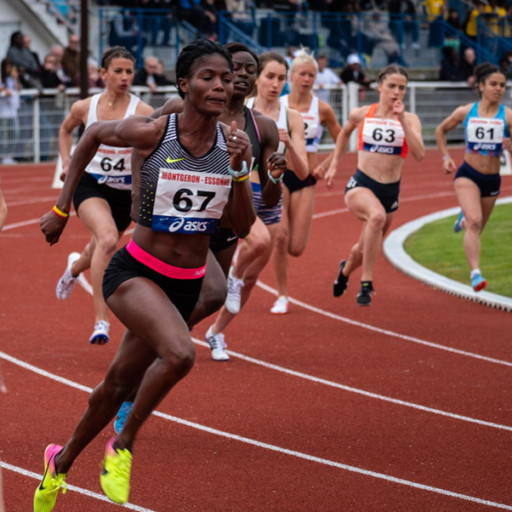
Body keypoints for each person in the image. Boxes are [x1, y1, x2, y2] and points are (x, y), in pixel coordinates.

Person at [35, 39, 255, 511]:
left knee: (114, 386)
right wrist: (60, 207)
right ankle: (124, 445)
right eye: (207, 77)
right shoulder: (156, 132)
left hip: (186, 280)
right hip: (135, 271)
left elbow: (242, 225)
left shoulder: (233, 145)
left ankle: (60, 462)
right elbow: (91, 136)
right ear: (184, 84)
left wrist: (240, 173)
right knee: (179, 354)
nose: (220, 85)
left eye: (225, 78)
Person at [204, 51, 308, 346]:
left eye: (281, 78)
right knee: (254, 246)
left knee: (251, 279)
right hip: (242, 192)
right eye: (269, 77)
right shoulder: (241, 109)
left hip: (273, 195)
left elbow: (302, 171)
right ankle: (231, 276)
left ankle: (216, 332)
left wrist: (288, 145)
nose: (275, 84)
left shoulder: (292, 118)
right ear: (257, 78)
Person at [54, 46, 153, 345]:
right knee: (108, 239)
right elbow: (65, 130)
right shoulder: (86, 106)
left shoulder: (143, 112)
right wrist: (68, 162)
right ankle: (101, 320)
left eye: (129, 72)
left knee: (97, 247)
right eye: (118, 71)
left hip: (125, 194)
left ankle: (73, 268)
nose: (125, 77)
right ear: (103, 74)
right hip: (91, 185)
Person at [325, 64, 425, 306]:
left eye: (402, 88)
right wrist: (333, 164)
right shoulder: (362, 113)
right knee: (376, 217)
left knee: (362, 249)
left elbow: (420, 154)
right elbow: (344, 133)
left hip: (390, 191)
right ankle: (366, 284)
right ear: (379, 86)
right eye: (391, 86)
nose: (396, 92)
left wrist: (401, 121)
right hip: (361, 184)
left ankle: (345, 271)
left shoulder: (410, 119)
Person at [270, 48, 341, 314]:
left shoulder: (321, 108)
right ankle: (281, 294)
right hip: (279, 174)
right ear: (291, 76)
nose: (307, 79)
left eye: (312, 74)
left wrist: (328, 164)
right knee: (280, 238)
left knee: (296, 247)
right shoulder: (280, 104)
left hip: (307, 176)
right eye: (302, 74)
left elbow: (343, 139)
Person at [435, 62, 512, 291]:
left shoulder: (508, 116)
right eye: (493, 84)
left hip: (492, 179)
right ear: (481, 86)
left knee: (476, 227)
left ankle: (463, 220)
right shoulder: (466, 111)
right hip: (467, 174)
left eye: (502, 85)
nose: (498, 89)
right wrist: (445, 157)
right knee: (476, 222)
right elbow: (440, 130)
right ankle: (476, 274)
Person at [0, 58, 21, 164]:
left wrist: (15, 79)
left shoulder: (12, 79)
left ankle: (8, 155)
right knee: (2, 133)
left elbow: (18, 89)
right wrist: (4, 90)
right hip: (2, 112)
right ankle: (2, 155)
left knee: (15, 132)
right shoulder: (1, 77)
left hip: (12, 111)